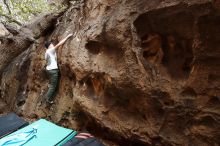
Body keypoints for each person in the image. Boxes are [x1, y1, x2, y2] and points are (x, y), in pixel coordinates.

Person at [44, 33, 73, 104]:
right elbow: (59, 44)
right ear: (50, 46)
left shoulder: (46, 52)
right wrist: (67, 37)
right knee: (53, 86)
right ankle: (47, 99)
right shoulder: (50, 50)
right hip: (53, 70)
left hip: (49, 70)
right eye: (51, 44)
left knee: (52, 83)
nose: (53, 45)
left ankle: (49, 88)